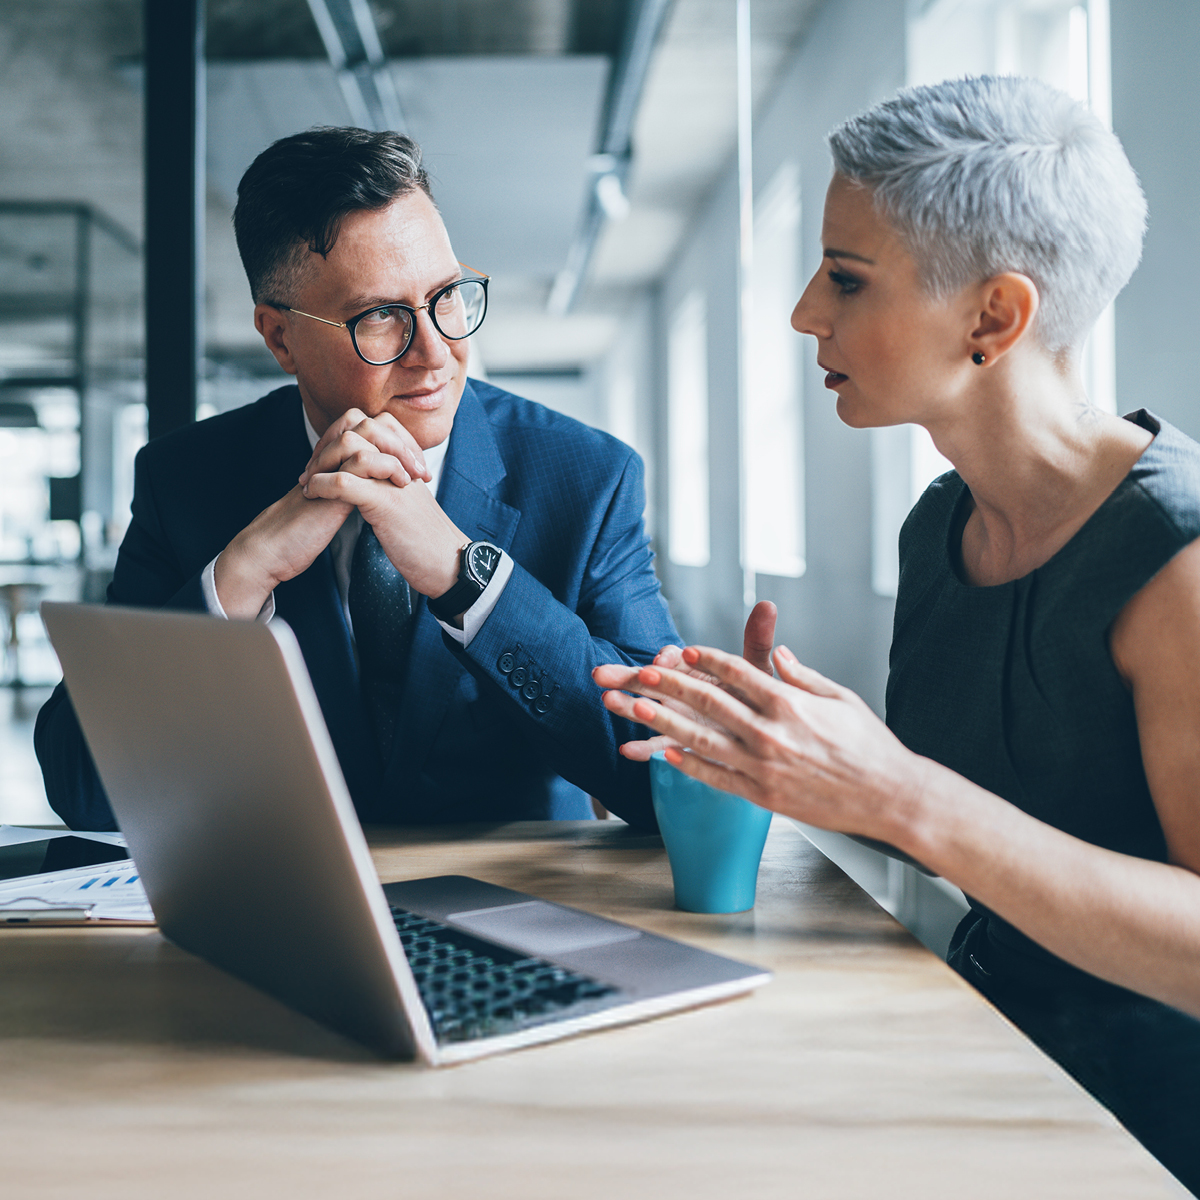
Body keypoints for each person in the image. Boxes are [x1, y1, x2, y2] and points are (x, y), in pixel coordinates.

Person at [596, 76, 1200, 1192]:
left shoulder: (1179, 560)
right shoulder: (943, 528)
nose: (803, 314)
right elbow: (977, 840)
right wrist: (793, 754)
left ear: (994, 317)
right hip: (988, 1059)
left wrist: (896, 790)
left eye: (845, 278)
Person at [36, 126, 684, 829]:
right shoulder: (185, 480)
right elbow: (83, 789)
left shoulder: (588, 478)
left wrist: (469, 579)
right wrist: (241, 575)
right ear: (279, 337)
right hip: (287, 911)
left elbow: (667, 773)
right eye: (381, 317)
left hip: (519, 908)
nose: (437, 353)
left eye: (448, 294)